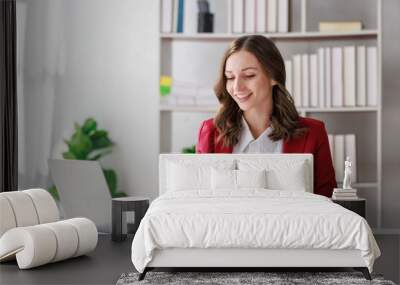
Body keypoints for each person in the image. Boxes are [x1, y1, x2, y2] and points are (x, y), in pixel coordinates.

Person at [196, 35, 337, 197]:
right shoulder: (210, 131)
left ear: (273, 76)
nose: (237, 87)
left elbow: (327, 204)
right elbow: (202, 201)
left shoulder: (313, 133)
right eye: (230, 77)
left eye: (249, 75)